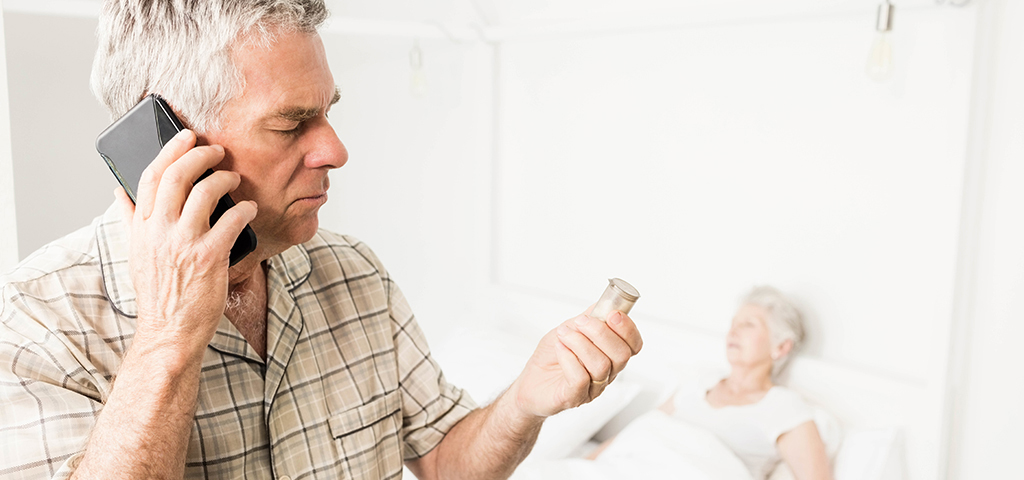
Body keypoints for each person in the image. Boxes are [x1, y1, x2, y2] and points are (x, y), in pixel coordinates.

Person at [0, 1, 643, 479]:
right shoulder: (34, 324)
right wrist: (169, 339)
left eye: (328, 112)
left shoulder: (354, 271)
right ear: (166, 143)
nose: (335, 150)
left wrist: (524, 402)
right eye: (292, 124)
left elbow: (447, 463)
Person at [588, 286, 831, 480]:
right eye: (733, 324)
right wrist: (586, 464)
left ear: (781, 347)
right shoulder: (698, 381)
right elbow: (642, 431)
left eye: (748, 325)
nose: (733, 332)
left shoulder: (785, 407)